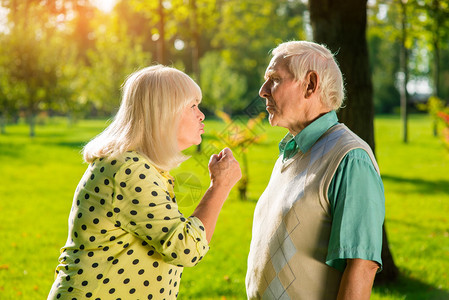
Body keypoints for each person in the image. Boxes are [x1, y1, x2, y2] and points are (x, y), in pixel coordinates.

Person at [48, 65, 242, 300]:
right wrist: (219, 186)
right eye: (192, 106)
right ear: (164, 112)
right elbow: (185, 248)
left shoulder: (139, 165)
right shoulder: (128, 170)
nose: (201, 115)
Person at [246, 41, 385, 300]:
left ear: (310, 84)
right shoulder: (292, 150)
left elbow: (362, 266)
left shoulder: (350, 158)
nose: (263, 90)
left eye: (274, 79)